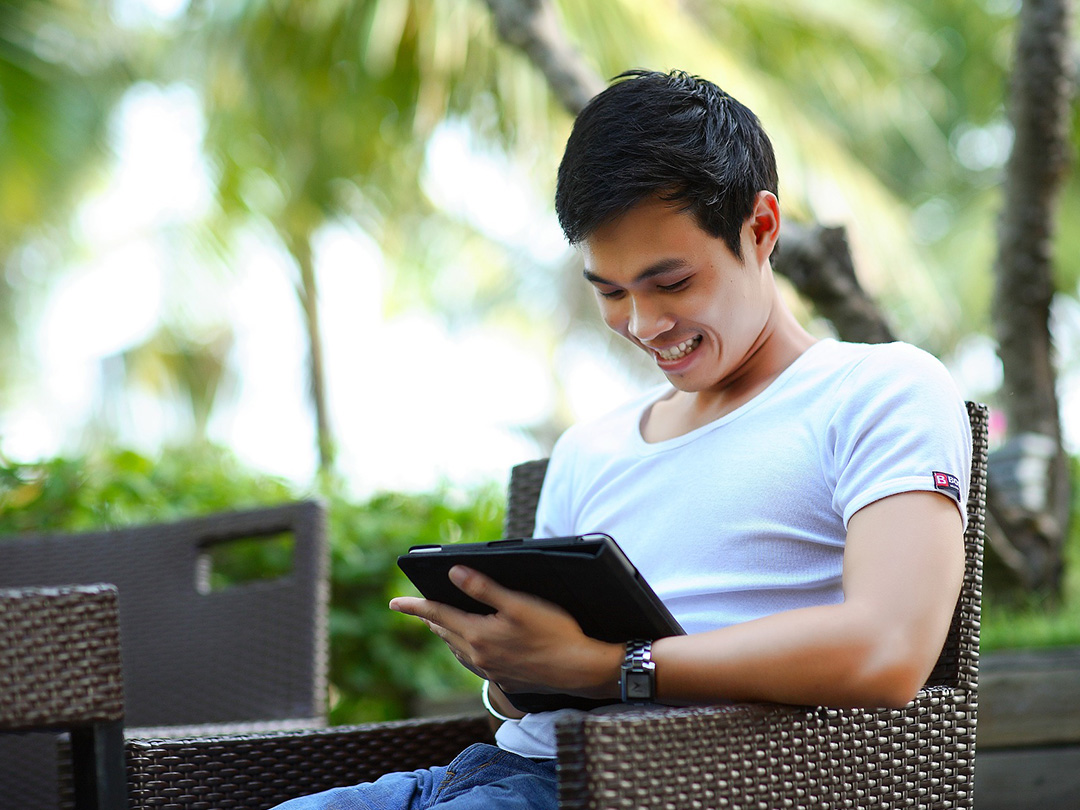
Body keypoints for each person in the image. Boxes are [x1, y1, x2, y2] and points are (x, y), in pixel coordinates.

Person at [274, 69, 971, 810]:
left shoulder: (879, 390)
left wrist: (612, 666)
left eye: (670, 283)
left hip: (649, 786)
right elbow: (527, 708)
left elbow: (890, 651)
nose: (641, 325)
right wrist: (512, 666)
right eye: (609, 291)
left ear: (761, 229)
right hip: (486, 774)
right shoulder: (591, 447)